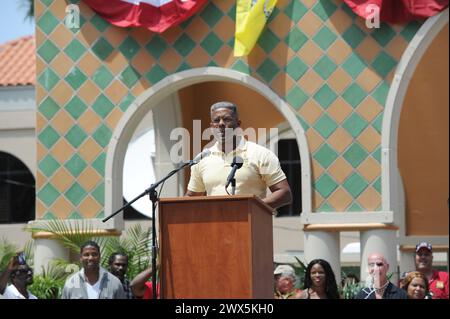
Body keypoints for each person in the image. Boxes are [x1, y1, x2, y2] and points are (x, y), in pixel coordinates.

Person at [185, 101, 292, 210]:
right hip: (214, 225)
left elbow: (284, 193)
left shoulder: (260, 154)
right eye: (216, 120)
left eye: (227, 119)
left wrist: (250, 208)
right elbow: (192, 197)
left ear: (238, 124)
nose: (221, 124)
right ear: (212, 126)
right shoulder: (202, 159)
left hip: (251, 223)